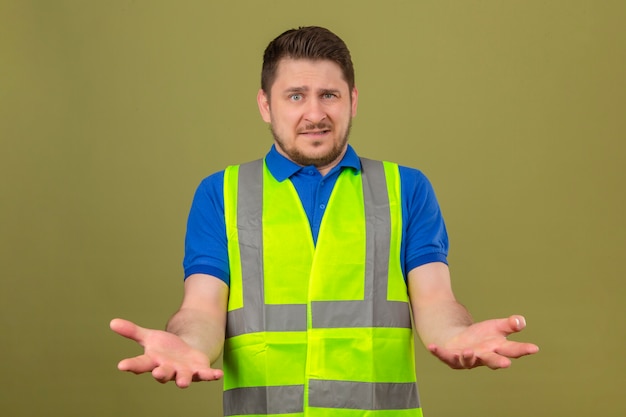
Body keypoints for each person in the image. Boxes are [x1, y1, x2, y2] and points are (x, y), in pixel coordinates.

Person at [111, 26, 539, 416]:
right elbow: (201, 308)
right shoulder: (219, 193)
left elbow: (435, 301)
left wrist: (456, 334)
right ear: (265, 104)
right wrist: (187, 345)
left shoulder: (405, 188)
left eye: (329, 95)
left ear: (353, 99)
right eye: (295, 96)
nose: (314, 114)